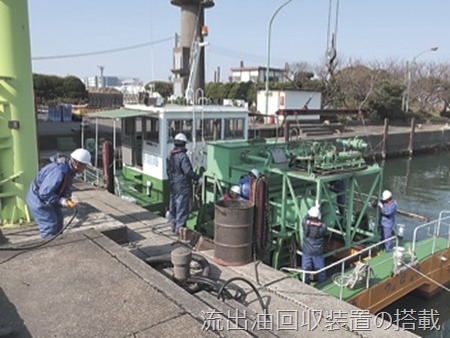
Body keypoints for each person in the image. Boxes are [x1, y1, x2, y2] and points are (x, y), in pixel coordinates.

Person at [26, 148, 91, 238]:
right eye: (85, 166)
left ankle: (57, 245)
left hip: (49, 197)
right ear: (78, 164)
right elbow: (44, 193)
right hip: (38, 199)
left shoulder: (69, 170)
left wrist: (67, 198)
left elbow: (66, 186)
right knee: (50, 225)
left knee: (59, 222)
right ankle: (49, 248)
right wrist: (61, 200)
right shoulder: (58, 172)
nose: (85, 168)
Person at [166, 133, 202, 235]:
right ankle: (179, 230)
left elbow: (168, 172)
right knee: (182, 208)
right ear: (183, 144)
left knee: (173, 207)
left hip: (173, 186)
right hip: (182, 187)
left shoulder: (170, 155)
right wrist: (198, 178)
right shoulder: (183, 157)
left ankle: (173, 227)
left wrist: (173, 180)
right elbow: (188, 171)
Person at [301, 206, 327, 284]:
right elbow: (324, 225)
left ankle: (305, 284)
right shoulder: (322, 227)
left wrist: (309, 213)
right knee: (320, 270)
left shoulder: (305, 225)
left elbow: (304, 219)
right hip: (318, 252)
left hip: (307, 251)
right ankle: (322, 284)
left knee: (305, 270)